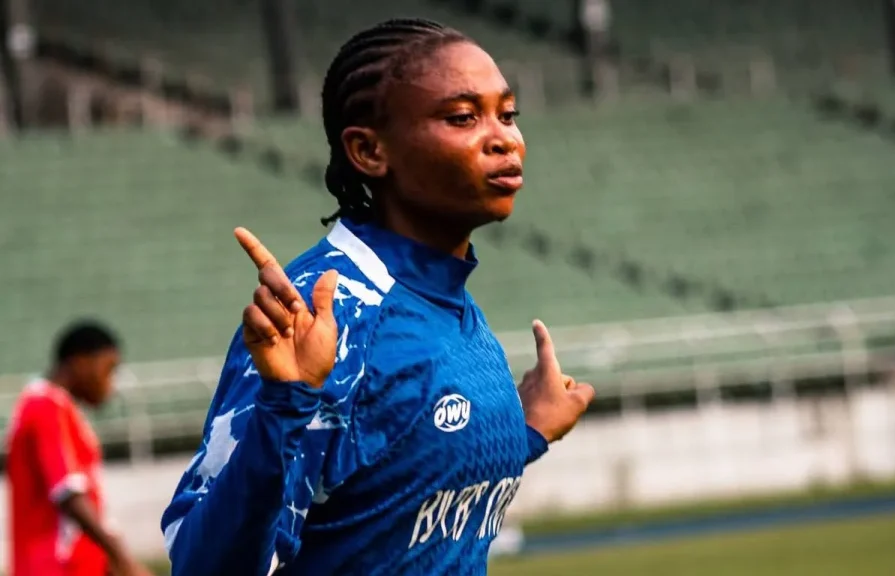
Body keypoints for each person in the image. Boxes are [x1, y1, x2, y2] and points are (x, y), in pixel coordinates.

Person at [160, 17, 594, 576]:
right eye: (463, 117)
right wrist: (283, 406)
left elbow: (389, 488)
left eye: (507, 114)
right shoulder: (329, 310)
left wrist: (521, 433)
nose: (504, 138)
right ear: (368, 151)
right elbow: (205, 567)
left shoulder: (449, 300)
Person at [5, 321, 151, 576]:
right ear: (81, 362)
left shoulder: (57, 407)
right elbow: (67, 492)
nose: (110, 384)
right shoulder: (45, 406)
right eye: (108, 369)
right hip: (56, 567)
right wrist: (122, 557)